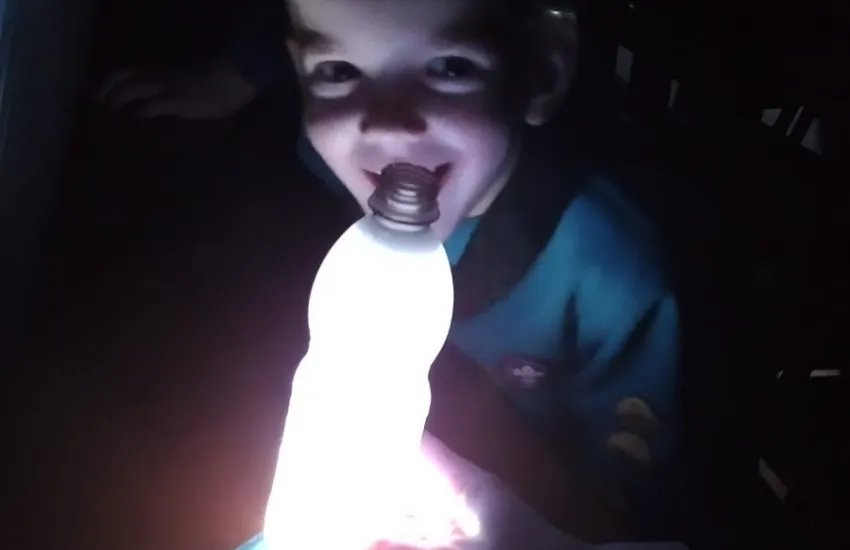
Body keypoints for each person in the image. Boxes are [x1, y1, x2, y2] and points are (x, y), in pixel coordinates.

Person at [102, 0, 685, 546]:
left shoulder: (610, 274)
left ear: (541, 75)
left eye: (451, 67)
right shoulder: (336, 174)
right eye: (337, 71)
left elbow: (621, 479)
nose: (385, 125)